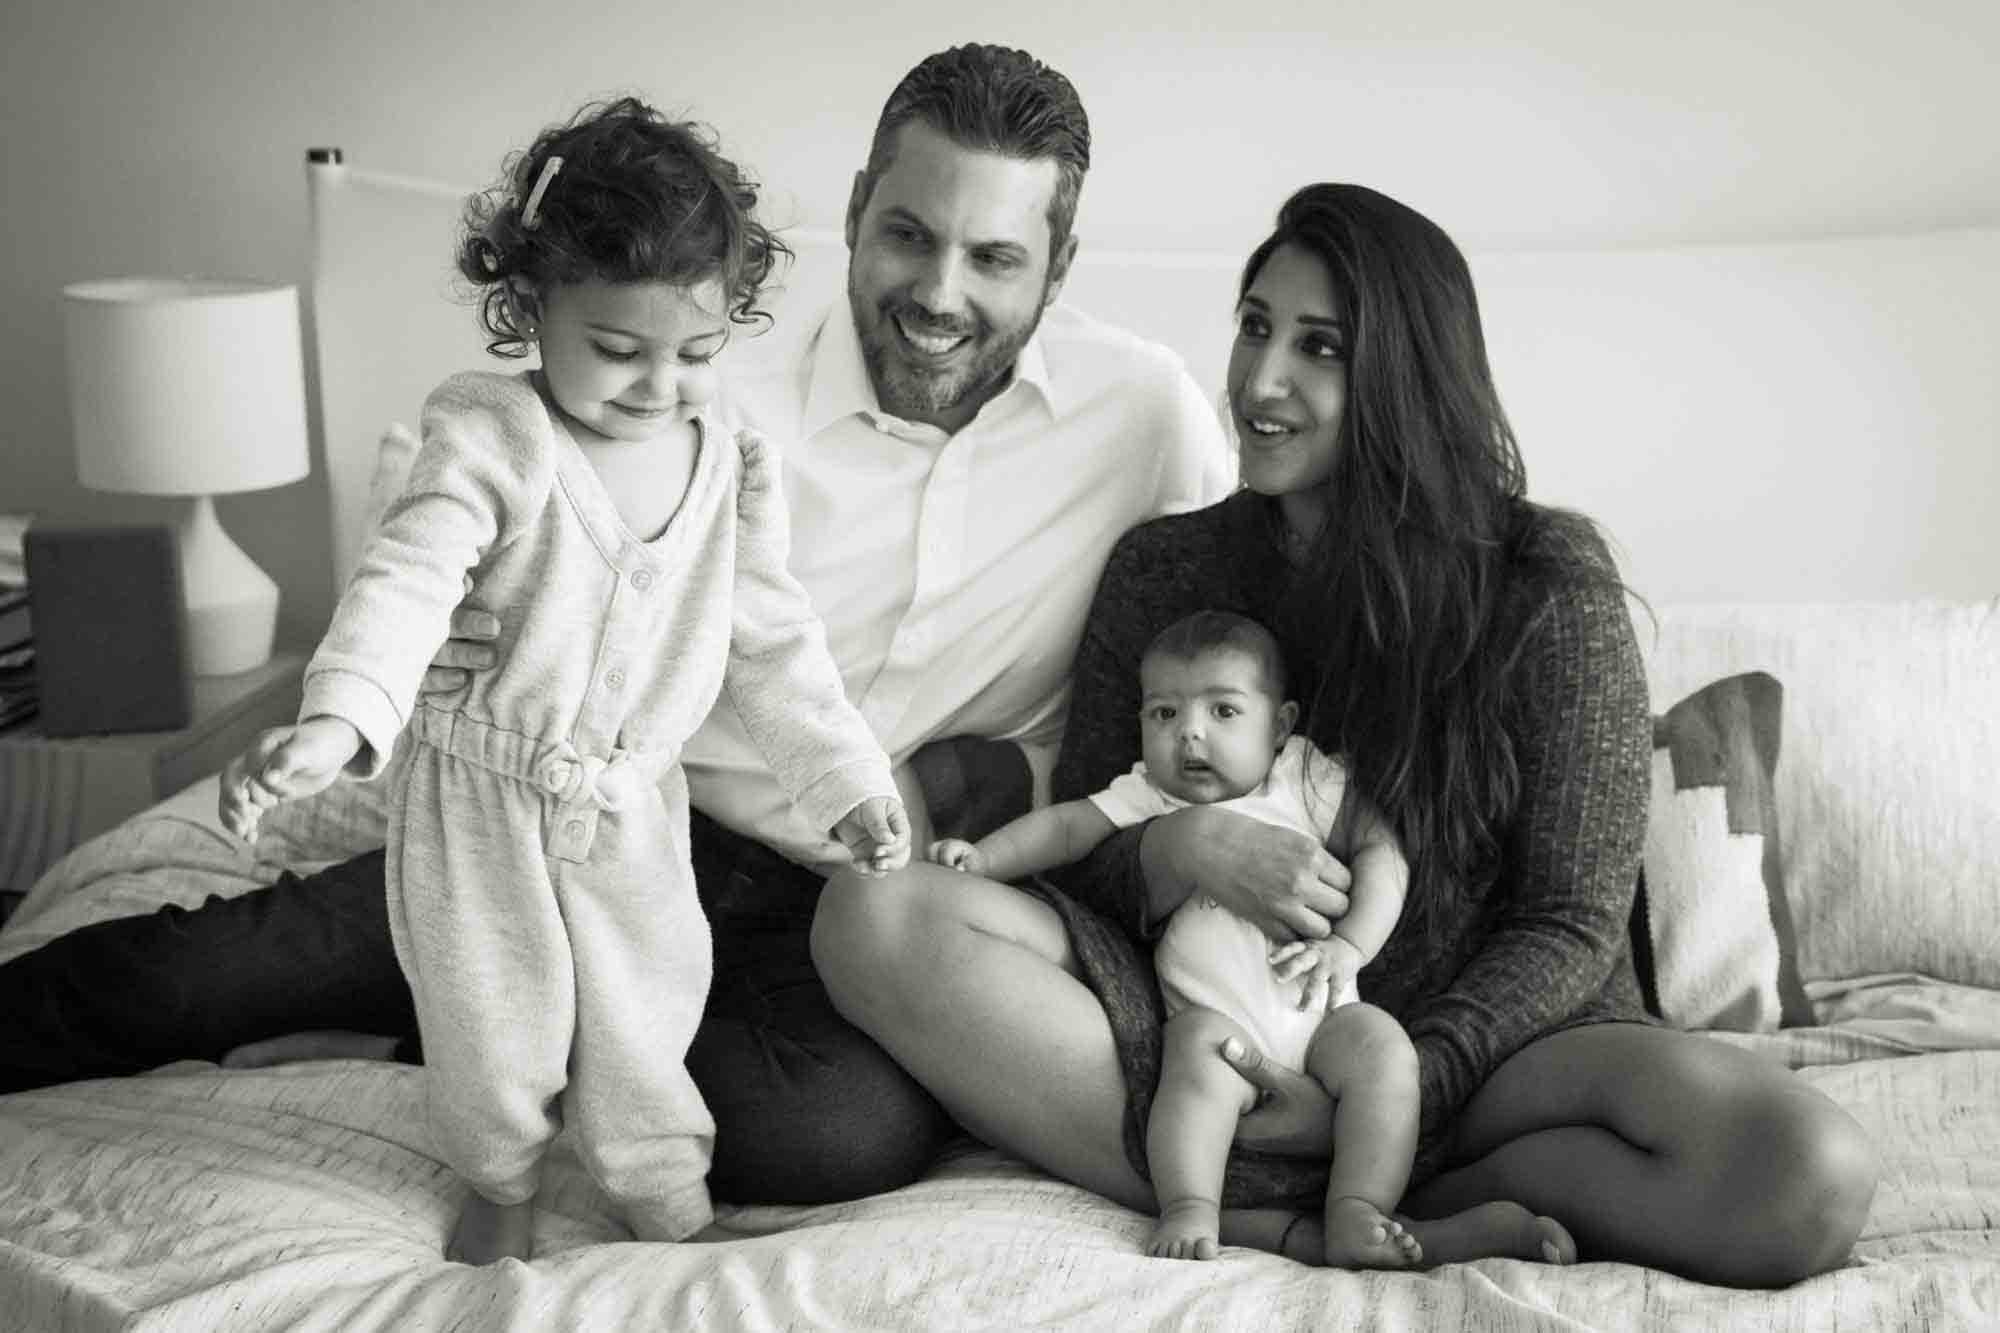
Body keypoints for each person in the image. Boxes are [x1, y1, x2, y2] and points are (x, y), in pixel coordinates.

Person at [0, 44, 1234, 1218]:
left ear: (1058, 267)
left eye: (995, 258)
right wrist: (426, 651)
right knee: (189, 977)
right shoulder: (692, 383)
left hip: (847, 906)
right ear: (856, 207)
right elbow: (448, 516)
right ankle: (477, 1010)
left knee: (834, 1136)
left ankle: (483, 1036)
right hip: (588, 817)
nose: (937, 294)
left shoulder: (1145, 420)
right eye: (908, 233)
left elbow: (1225, 638)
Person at [813, 183, 1881, 1284]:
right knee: (868, 913)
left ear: (1407, 378)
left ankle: (1376, 1186)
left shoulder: (1543, 583)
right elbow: (1084, 861)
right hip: (1214, 1028)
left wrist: (1395, 1087)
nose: (1261, 379)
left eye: (1318, 347)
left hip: (1498, 1051)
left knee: (1809, 1173)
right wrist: (1176, 853)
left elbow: (1568, 922)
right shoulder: (1163, 571)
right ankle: (1298, 1218)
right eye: (1254, 326)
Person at [215, 97, 911, 1263]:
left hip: (635, 806)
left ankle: (663, 1195)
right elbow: (410, 572)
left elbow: (775, 643)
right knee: (496, 1025)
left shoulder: (729, 463)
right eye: (618, 352)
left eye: (694, 353)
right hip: (480, 803)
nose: (657, 388)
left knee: (649, 1016)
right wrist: (336, 719)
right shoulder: (493, 435)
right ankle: (500, 1185)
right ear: (532, 307)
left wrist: (843, 778)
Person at [929, 608, 1571, 1268]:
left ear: (1282, 723)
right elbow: (1065, 829)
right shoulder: (1152, 794)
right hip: (1218, 1024)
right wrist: (983, 858)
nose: (1190, 735)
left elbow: (1384, 852)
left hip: (1323, 1019)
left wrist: (1349, 946)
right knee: (1194, 1060)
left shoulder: (1303, 778)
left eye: (1224, 711)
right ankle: (1190, 1203)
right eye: (1164, 714)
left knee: (1386, 1052)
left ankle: (1358, 1207)